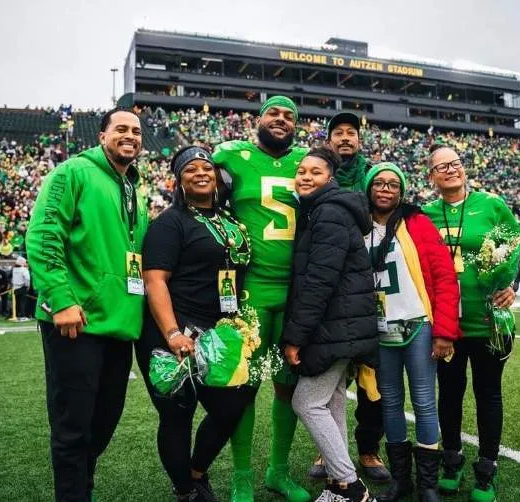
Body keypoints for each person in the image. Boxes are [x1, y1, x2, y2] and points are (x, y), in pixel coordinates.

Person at [26, 108, 149, 502]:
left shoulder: (134, 188)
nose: (130, 136)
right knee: (72, 427)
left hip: (120, 323)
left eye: (136, 131)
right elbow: (45, 233)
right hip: (75, 321)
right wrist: (60, 299)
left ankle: (82, 489)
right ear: (101, 136)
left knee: (104, 422)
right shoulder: (73, 173)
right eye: (121, 129)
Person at [136, 146, 256, 502]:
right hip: (172, 331)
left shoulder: (232, 221)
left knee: (232, 405)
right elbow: (154, 280)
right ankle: (186, 491)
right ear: (179, 180)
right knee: (178, 413)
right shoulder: (170, 222)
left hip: (218, 332)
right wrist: (172, 332)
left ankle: (196, 471)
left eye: (208, 167)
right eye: (191, 169)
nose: (201, 172)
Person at [212, 96, 310, 502]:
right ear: (259, 118)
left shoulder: (308, 160)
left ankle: (278, 470)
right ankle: (241, 476)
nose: (282, 120)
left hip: (297, 290)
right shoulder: (232, 155)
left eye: (290, 116)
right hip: (250, 286)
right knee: (244, 385)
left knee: (288, 383)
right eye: (274, 113)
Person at [422, 144, 520, 502]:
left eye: (455, 163)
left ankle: (487, 470)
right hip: (447, 324)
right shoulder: (424, 214)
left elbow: (516, 246)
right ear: (431, 176)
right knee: (449, 395)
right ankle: (452, 461)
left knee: (488, 395)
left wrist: (512, 285)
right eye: (441, 166)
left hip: (487, 320)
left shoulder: (492, 205)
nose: (450, 170)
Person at [283, 147, 378, 502]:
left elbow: (319, 281)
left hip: (335, 326)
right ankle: (340, 483)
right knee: (333, 400)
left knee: (306, 402)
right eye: (302, 171)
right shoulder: (326, 210)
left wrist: (295, 336)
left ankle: (351, 486)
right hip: (343, 325)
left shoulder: (330, 213)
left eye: (315, 172)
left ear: (331, 178)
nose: (306, 177)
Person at [363, 163, 460, 502]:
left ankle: (428, 485)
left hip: (418, 323)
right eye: (379, 183)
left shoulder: (417, 222)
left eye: (393, 184)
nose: (386, 189)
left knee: (423, 402)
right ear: (368, 188)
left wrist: (444, 331)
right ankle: (401, 480)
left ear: (401, 191)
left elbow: (445, 276)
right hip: (380, 328)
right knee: (389, 402)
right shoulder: (358, 225)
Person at [306, 111, 389, 482]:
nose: (344, 138)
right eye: (337, 132)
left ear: (359, 139)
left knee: (372, 378)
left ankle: (369, 450)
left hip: (374, 282)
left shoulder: (374, 174)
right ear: (328, 139)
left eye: (350, 133)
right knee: (333, 376)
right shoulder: (320, 176)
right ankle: (329, 453)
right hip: (337, 290)